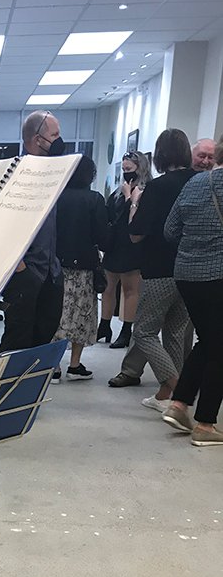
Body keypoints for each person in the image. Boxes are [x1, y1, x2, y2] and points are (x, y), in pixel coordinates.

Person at [108, 129, 195, 410]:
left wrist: (133, 201)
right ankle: (168, 398)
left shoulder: (157, 188)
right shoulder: (199, 182)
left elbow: (136, 233)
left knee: (144, 332)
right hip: (189, 268)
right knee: (175, 332)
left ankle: (175, 386)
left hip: (158, 268)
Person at [161, 137, 223, 445]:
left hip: (186, 274)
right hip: (218, 276)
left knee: (211, 340)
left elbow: (170, 230)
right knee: (219, 347)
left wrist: (195, 247)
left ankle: (179, 403)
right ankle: (205, 425)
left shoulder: (196, 182)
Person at [0, 111, 65, 367]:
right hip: (25, 272)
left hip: (51, 271)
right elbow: (1, 225)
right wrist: (20, 266)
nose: (59, 141)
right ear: (38, 139)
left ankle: (27, 398)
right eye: (55, 135)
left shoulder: (53, 173)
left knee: (43, 339)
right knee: (16, 339)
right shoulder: (16, 174)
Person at [54, 155, 109, 379]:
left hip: (57, 266)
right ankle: (75, 365)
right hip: (84, 266)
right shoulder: (94, 199)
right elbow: (103, 237)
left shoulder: (56, 198)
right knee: (82, 315)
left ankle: (54, 366)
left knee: (58, 315)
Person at [98, 151, 151, 348]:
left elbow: (137, 220)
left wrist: (130, 197)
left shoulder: (145, 190)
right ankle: (104, 325)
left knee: (130, 289)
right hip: (114, 245)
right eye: (124, 169)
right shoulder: (118, 190)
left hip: (133, 245)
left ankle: (126, 330)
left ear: (140, 168)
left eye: (130, 169)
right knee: (107, 288)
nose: (126, 173)